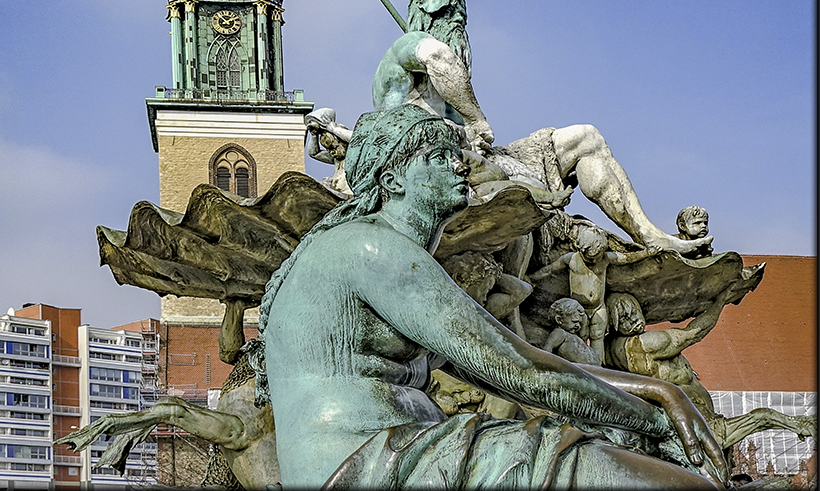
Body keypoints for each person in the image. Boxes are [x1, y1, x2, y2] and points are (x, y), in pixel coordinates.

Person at [253, 105, 722, 488]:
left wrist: (653, 391)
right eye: (436, 156)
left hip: (399, 455)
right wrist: (658, 418)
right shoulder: (372, 248)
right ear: (392, 180)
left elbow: (505, 365)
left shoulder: (368, 249)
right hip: (372, 466)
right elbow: (521, 370)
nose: (458, 163)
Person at [373, 0, 709, 254]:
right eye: (451, 17)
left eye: (462, 19)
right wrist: (475, 118)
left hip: (482, 155)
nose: (459, 25)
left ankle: (649, 235)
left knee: (586, 136)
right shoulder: (408, 47)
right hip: (430, 160)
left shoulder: (448, 78)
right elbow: (438, 57)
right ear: (428, 16)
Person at [532, 218, 658, 344]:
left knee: (598, 336)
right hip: (578, 309)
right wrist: (532, 277)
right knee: (579, 337)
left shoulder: (605, 259)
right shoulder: (571, 259)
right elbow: (549, 270)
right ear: (581, 249)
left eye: (596, 258)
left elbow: (627, 258)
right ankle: (580, 362)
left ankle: (597, 363)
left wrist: (646, 253)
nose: (593, 261)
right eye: (589, 258)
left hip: (598, 307)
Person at [542, 298, 603, 366]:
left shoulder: (575, 336)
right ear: (559, 320)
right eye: (574, 322)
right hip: (580, 370)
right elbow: (547, 350)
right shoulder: (560, 333)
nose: (578, 326)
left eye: (579, 323)